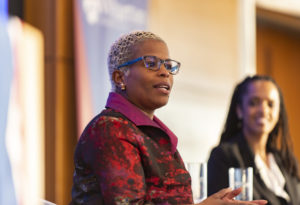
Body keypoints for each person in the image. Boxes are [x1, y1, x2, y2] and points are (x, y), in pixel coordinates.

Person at [70, 31, 267, 205]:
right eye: (151, 64)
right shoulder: (110, 130)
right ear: (120, 78)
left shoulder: (151, 134)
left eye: (168, 65)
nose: (164, 72)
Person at [207, 75, 300, 205]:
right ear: (239, 110)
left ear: (278, 112)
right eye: (254, 103)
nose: (263, 110)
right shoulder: (223, 157)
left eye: (271, 104)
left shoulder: (286, 161)